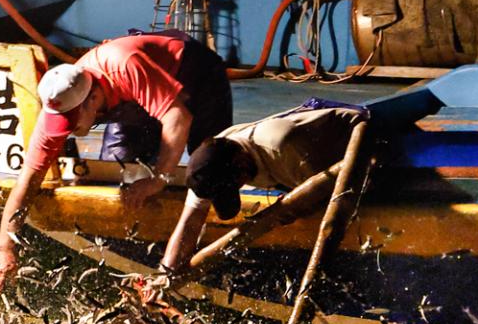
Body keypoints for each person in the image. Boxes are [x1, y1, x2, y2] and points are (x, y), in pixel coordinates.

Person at [0, 34, 231, 293]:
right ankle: (138, 256)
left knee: (210, 168)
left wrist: (159, 179)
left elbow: (178, 116)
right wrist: (4, 247)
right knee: (120, 174)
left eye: (72, 122)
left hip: (194, 71)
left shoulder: (125, 65)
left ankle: (212, 254)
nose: (67, 131)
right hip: (131, 98)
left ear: (92, 99)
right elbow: (29, 177)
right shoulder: (62, 100)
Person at [156, 103, 368, 274]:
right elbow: (189, 224)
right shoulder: (207, 164)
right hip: (300, 166)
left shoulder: (283, 148)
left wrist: (281, 213)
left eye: (234, 185)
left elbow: (335, 202)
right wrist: (165, 275)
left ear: (240, 163)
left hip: (360, 140)